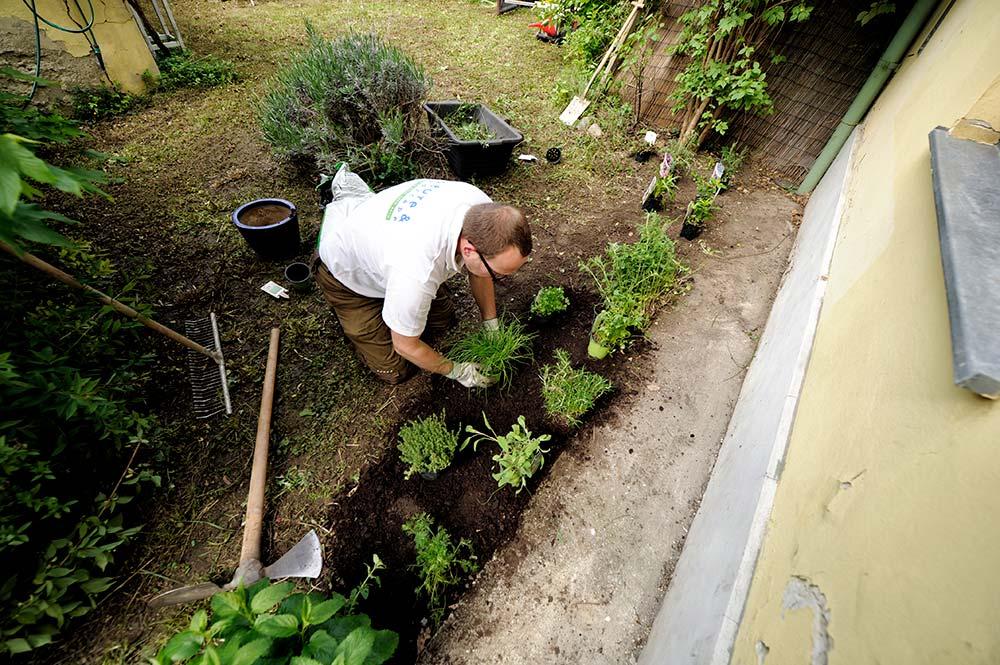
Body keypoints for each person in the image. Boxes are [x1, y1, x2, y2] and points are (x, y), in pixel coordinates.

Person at [315, 169, 532, 388]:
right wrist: (457, 371)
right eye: (498, 274)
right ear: (468, 251)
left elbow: (480, 269)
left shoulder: (481, 211)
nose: (501, 279)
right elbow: (404, 345)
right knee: (396, 368)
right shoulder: (417, 272)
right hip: (347, 276)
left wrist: (491, 324)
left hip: (386, 246)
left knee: (443, 322)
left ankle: (396, 307)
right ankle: (357, 319)